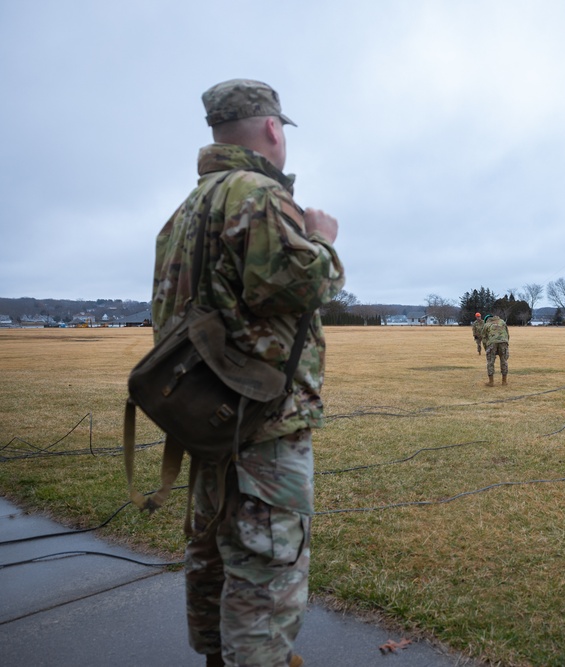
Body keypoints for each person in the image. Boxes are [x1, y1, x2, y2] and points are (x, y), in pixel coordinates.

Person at [151, 79, 345, 667]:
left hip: (207, 416)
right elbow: (304, 284)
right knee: (265, 573)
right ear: (271, 129)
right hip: (262, 423)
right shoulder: (258, 195)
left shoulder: (185, 210)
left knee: (211, 556)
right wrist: (322, 240)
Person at [482, 313, 509, 386]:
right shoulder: (502, 322)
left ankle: (491, 382)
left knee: (490, 362)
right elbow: (507, 334)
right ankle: (504, 381)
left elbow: (484, 338)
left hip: (492, 343)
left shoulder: (486, 325)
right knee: (504, 361)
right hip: (504, 342)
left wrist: (486, 349)